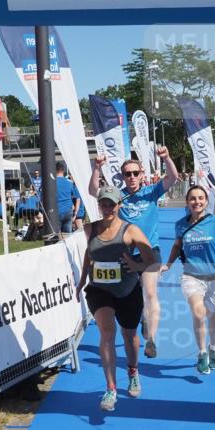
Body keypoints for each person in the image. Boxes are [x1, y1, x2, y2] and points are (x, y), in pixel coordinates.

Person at [88, 145, 179, 360]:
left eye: (135, 173)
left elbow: (172, 178)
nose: (131, 177)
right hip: (125, 253)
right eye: (127, 174)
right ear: (122, 176)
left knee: (149, 293)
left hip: (150, 251)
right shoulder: (119, 196)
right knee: (129, 294)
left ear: (142, 175)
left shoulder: (151, 192)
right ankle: (140, 321)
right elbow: (93, 192)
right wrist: (97, 168)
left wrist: (166, 157)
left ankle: (151, 341)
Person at [75, 186, 156, 411]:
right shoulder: (90, 228)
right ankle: (110, 389)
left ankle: (133, 371)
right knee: (107, 334)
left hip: (128, 290)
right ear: (99, 205)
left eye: (112, 204)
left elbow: (151, 259)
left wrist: (136, 265)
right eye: (104, 204)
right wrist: (82, 279)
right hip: (100, 290)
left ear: (119, 205)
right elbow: (89, 254)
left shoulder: (131, 231)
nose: (108, 208)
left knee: (129, 336)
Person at [161, 185, 215, 374]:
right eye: (193, 199)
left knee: (214, 316)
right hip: (191, 276)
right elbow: (176, 246)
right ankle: (202, 352)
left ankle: (213, 347)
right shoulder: (180, 225)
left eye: (200, 198)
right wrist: (169, 264)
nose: (197, 202)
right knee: (198, 313)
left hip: (214, 277)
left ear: (206, 201)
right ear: (187, 202)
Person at [55, 162, 76, 234]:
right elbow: (74, 196)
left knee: (55, 237)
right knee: (67, 237)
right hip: (68, 211)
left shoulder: (51, 182)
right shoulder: (69, 182)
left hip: (56, 211)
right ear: (63, 170)